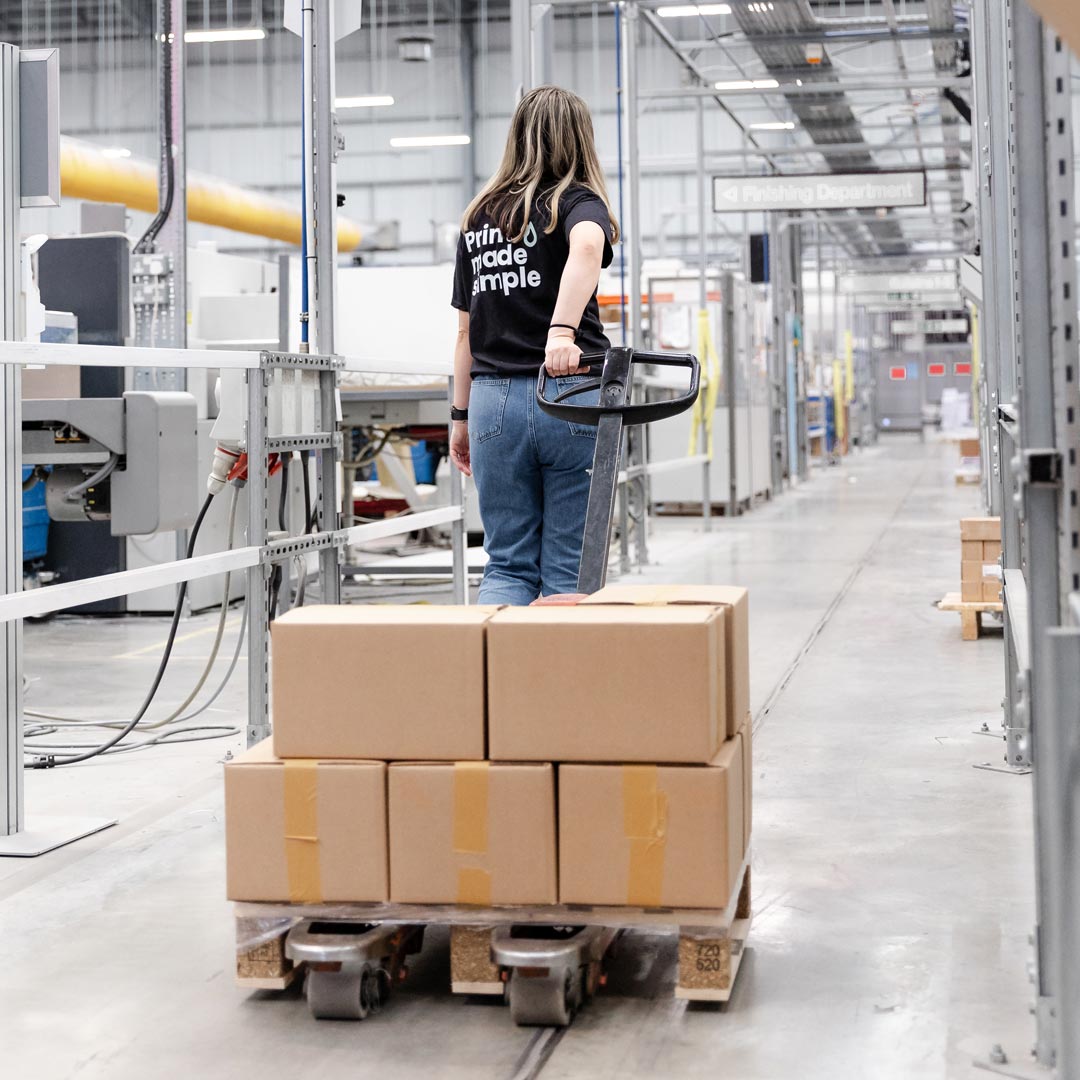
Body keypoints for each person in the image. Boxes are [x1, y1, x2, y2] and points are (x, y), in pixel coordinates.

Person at [449, 85, 619, 605]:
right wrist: (562, 331)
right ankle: (557, 686)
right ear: (580, 140)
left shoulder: (478, 217)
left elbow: (464, 334)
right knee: (568, 571)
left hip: (491, 403)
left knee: (506, 564)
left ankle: (497, 684)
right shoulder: (576, 201)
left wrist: (459, 418)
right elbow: (589, 245)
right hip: (568, 395)